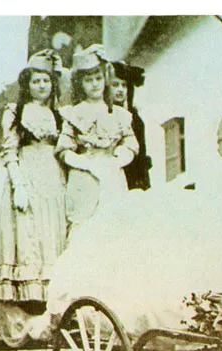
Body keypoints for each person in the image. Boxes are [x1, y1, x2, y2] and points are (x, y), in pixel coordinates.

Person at [0, 49, 68, 312]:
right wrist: (18, 186)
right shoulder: (16, 112)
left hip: (53, 178)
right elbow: (10, 152)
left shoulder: (58, 115)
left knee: (52, 230)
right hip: (27, 174)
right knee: (29, 231)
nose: (42, 86)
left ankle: (52, 295)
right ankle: (29, 296)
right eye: (36, 81)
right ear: (28, 84)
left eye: (46, 80)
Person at [56, 45, 139, 229]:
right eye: (88, 80)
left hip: (111, 174)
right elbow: (64, 148)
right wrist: (86, 163)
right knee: (84, 227)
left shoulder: (118, 114)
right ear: (80, 83)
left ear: (105, 80)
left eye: (98, 78)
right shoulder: (73, 113)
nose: (94, 84)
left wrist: (119, 158)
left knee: (114, 227)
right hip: (84, 177)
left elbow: (131, 142)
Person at [110, 60, 152, 191]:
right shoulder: (101, 113)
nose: (120, 90)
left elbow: (140, 156)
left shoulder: (134, 119)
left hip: (131, 178)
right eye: (115, 85)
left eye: (124, 85)